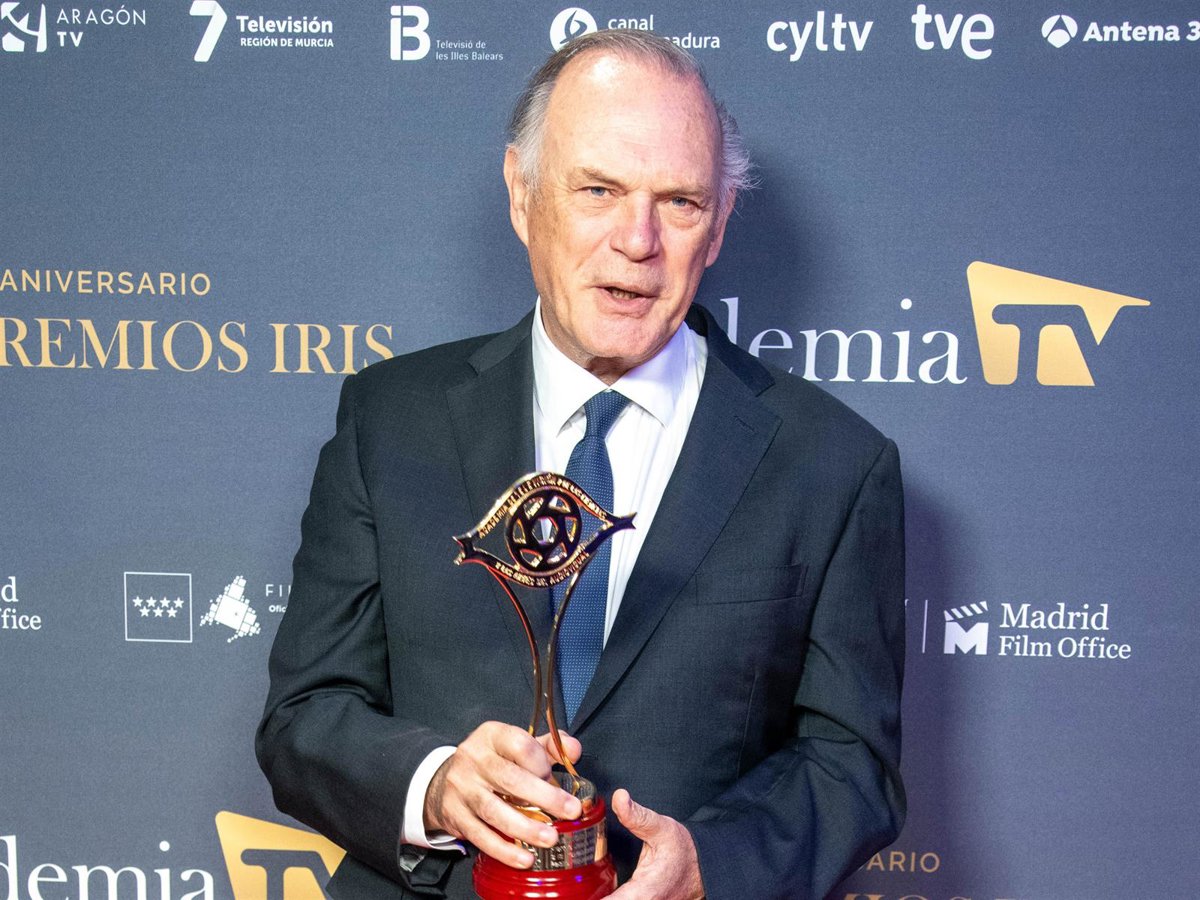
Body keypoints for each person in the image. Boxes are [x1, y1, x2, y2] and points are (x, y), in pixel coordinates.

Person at [257, 29, 905, 900]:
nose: (637, 240)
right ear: (523, 196)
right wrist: (437, 786)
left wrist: (711, 865)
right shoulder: (390, 419)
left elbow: (852, 764)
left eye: (680, 202)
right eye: (598, 190)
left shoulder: (833, 463)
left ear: (718, 227)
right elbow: (305, 716)